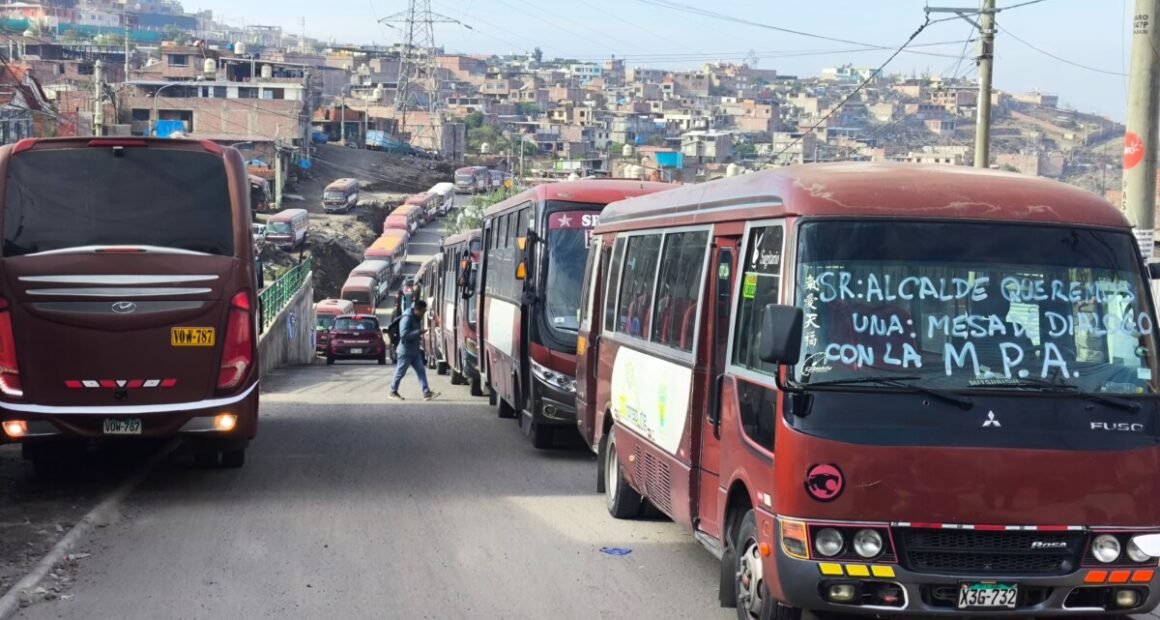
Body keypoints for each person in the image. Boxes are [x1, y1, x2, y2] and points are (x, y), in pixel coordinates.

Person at [389, 299, 439, 401]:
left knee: (421, 371)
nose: (423, 314)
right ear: (417, 310)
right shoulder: (407, 318)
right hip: (405, 352)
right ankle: (393, 391)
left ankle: (426, 393)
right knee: (400, 372)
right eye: (423, 312)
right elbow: (404, 335)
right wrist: (418, 332)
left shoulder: (416, 317)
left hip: (414, 351)